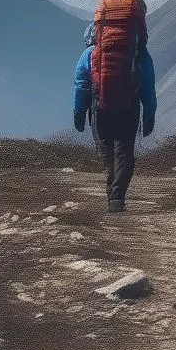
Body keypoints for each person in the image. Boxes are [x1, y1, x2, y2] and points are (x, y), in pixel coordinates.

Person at [73, 21, 156, 213]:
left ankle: (113, 194)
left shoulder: (89, 54)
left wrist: (78, 114)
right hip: (129, 107)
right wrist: (149, 114)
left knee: (107, 154)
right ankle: (117, 198)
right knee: (124, 152)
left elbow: (80, 85)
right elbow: (148, 84)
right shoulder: (138, 52)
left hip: (99, 109)